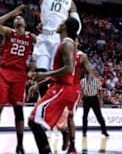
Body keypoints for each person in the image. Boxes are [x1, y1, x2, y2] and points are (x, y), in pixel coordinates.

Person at [22, 0, 82, 97]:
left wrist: (74, 37)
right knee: (41, 72)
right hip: (44, 37)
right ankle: (43, 100)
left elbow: (77, 22)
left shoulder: (69, 1)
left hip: (58, 38)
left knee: (53, 74)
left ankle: (53, 101)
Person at [0, 5, 36, 154]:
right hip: (4, 72)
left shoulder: (30, 36)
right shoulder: (9, 32)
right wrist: (11, 13)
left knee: (19, 112)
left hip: (20, 75)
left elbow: (46, 42)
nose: (19, 18)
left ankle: (20, 145)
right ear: (13, 23)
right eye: (16, 18)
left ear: (25, 23)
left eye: (21, 17)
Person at [27, 16, 80, 154]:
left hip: (61, 89)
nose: (59, 24)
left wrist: (45, 75)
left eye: (62, 22)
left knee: (33, 121)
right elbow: (61, 73)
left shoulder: (67, 44)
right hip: (59, 87)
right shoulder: (65, 43)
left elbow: (68, 69)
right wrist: (41, 84)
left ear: (65, 27)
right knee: (34, 121)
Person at [61, 37, 95, 153]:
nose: (72, 43)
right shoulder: (62, 52)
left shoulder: (82, 56)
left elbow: (90, 71)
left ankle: (73, 145)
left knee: (70, 116)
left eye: (74, 40)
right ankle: (64, 132)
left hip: (73, 88)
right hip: (60, 86)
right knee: (55, 115)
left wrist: (86, 85)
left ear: (78, 42)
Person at [81, 70, 109, 137]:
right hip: (86, 99)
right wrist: (82, 96)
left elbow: (100, 91)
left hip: (94, 99)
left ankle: (104, 131)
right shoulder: (83, 81)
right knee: (85, 116)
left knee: (99, 116)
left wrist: (101, 100)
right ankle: (84, 132)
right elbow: (80, 90)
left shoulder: (97, 81)